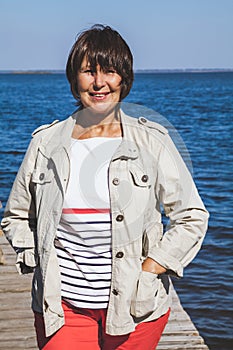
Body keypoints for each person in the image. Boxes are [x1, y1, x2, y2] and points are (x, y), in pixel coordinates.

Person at [1, 24, 209, 350]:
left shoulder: (152, 142)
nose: (99, 83)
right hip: (62, 307)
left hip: (136, 308)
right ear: (75, 79)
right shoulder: (44, 143)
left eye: (110, 71)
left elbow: (191, 216)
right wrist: (36, 256)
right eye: (88, 72)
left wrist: (151, 268)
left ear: (123, 79)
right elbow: (15, 216)